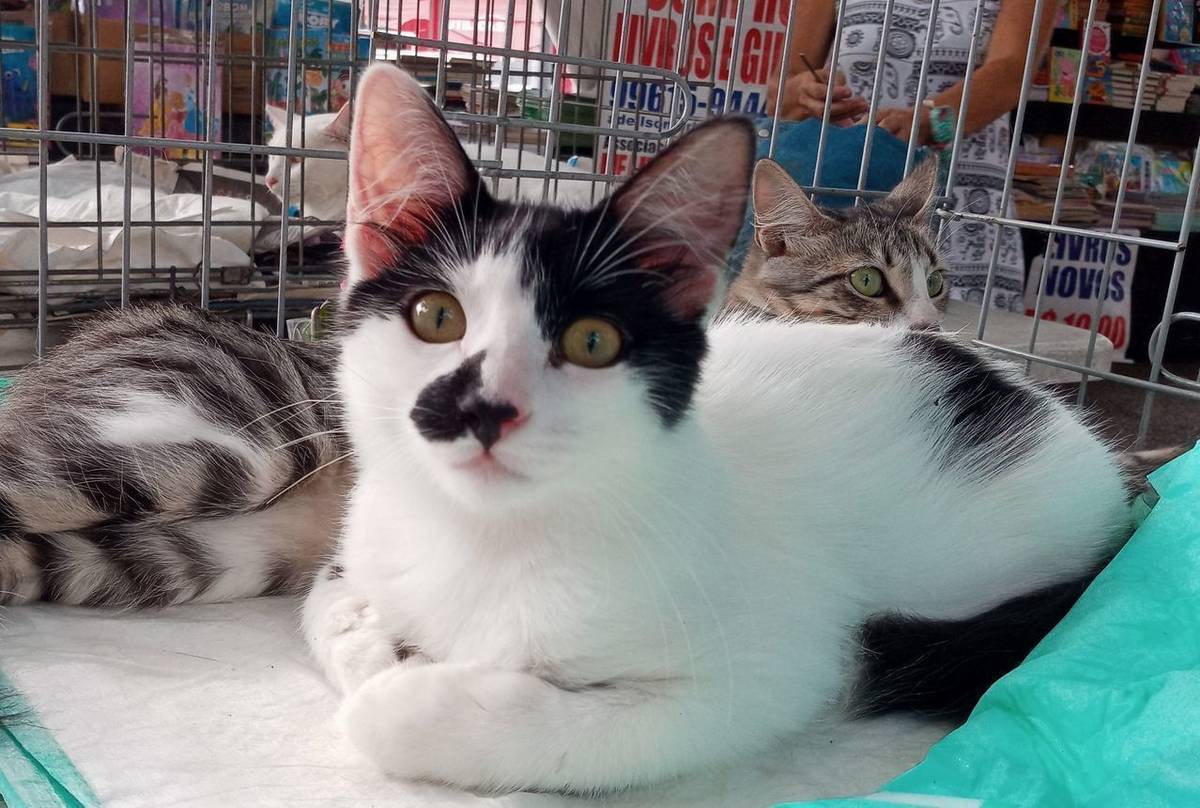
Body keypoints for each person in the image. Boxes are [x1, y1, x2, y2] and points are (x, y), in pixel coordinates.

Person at [768, 0, 1057, 313]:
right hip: (843, 200)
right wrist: (806, 93)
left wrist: (930, 121)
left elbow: (1012, 73)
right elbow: (779, 96)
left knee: (961, 331)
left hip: (959, 200)